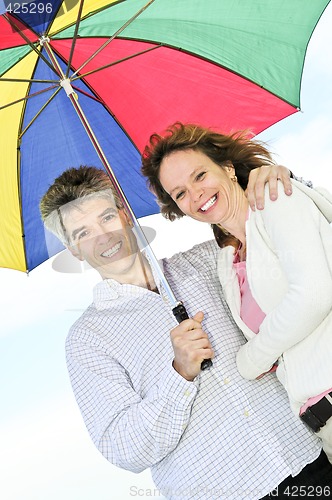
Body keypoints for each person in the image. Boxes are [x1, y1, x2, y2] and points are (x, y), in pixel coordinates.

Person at [39, 166, 332, 499]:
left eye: (106, 217)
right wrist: (180, 374)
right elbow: (124, 448)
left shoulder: (209, 259)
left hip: (309, 461)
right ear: (74, 251)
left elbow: (291, 260)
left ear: (125, 214)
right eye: (82, 233)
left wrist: (269, 176)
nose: (103, 237)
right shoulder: (88, 340)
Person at [141, 121, 332, 465]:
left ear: (228, 168)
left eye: (199, 176)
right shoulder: (228, 263)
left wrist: (250, 360)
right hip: (320, 424)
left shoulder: (276, 200)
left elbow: (315, 295)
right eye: (180, 193)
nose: (195, 194)